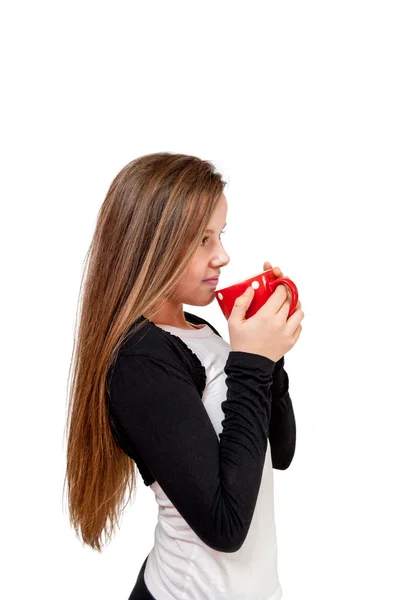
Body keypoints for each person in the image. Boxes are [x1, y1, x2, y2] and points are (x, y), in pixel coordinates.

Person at [64, 152, 304, 600]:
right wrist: (252, 363)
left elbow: (281, 451)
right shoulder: (140, 360)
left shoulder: (203, 331)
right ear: (150, 244)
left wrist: (270, 356)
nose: (223, 256)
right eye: (202, 239)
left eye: (221, 235)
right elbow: (224, 525)